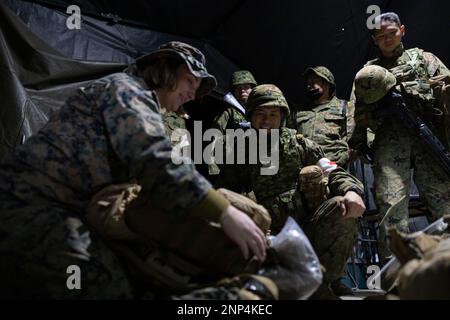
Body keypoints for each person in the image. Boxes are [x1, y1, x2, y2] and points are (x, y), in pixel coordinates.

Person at [0, 41, 267, 299]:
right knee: (102, 281)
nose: (192, 94)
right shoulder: (127, 90)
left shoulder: (143, 104)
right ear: (165, 70)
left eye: (197, 88)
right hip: (28, 204)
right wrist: (224, 212)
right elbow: (155, 161)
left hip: (61, 207)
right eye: (189, 81)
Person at [216, 84, 366, 299]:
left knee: (340, 206)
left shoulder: (300, 144)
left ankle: (327, 280)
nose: (266, 120)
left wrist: (351, 191)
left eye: (273, 114)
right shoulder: (239, 150)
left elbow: (332, 170)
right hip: (268, 237)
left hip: (309, 227)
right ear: (250, 116)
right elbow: (226, 193)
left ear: (282, 117)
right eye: (260, 114)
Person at [349, 12, 450, 260]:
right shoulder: (368, 72)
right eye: (380, 36)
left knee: (443, 202)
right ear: (374, 40)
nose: (387, 39)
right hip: (390, 143)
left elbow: (445, 92)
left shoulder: (425, 58)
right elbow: (356, 109)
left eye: (391, 33)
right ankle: (397, 274)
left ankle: (444, 264)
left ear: (402, 30)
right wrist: (357, 142)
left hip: (429, 139)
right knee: (391, 207)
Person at [290, 66, 355, 167]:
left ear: (327, 83)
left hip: (335, 166)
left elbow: (354, 136)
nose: (309, 85)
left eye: (314, 81)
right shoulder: (299, 111)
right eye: (308, 83)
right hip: (304, 168)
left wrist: (345, 157)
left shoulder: (345, 107)